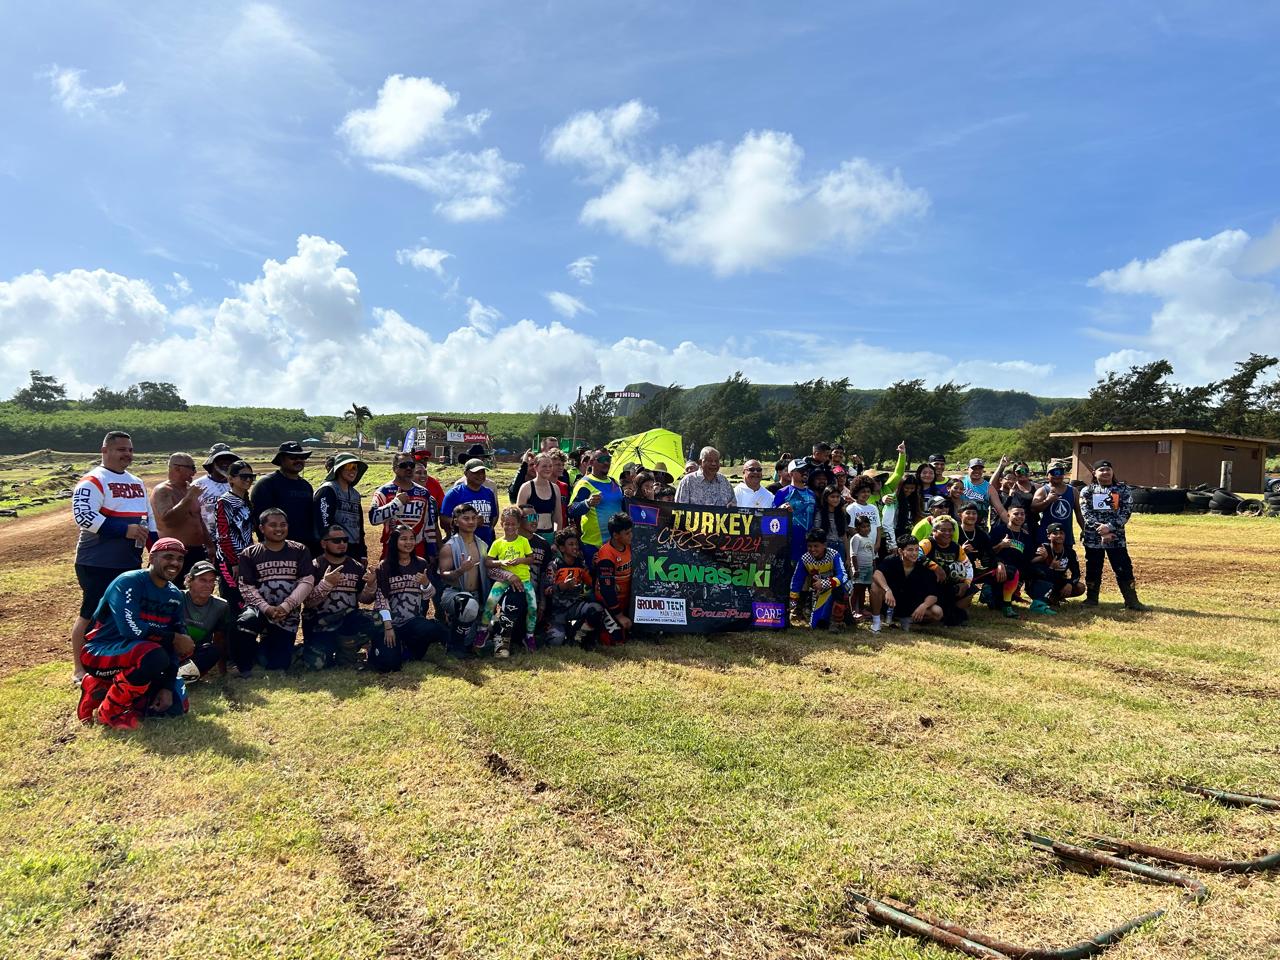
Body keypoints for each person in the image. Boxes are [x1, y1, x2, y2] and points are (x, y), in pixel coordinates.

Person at [75, 538, 193, 729]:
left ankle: (101, 686)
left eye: (180, 559)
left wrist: (167, 687)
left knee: (175, 708)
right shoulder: (129, 582)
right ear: (152, 557)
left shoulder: (175, 596)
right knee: (154, 655)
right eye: (168, 557)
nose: (175, 563)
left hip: (141, 654)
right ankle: (110, 712)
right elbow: (131, 629)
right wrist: (173, 638)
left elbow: (179, 644)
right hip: (99, 652)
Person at [71, 431, 156, 684]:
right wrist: (123, 530)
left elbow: (148, 520)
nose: (127, 454)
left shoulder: (137, 482)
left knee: (123, 613)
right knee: (91, 612)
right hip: (96, 561)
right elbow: (83, 516)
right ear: (104, 450)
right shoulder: (92, 481)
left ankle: (112, 660)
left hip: (128, 562)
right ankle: (79, 669)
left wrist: (155, 549)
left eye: (130, 450)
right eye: (121, 450)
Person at [236, 508, 315, 674]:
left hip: (287, 615)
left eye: (283, 525)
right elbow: (246, 587)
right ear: (262, 528)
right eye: (273, 525)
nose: (279, 529)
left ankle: (267, 648)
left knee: (277, 664)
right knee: (245, 622)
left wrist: (286, 606)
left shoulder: (300, 550)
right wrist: (266, 608)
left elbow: (307, 581)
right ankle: (244, 668)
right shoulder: (249, 554)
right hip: (260, 611)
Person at [301, 523, 380, 670]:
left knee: (378, 619)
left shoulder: (356, 567)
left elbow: (364, 600)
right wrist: (326, 584)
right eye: (336, 541)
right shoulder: (314, 566)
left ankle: (347, 653)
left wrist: (370, 585)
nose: (342, 544)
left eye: (345, 540)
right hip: (320, 625)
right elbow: (308, 602)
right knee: (317, 665)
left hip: (347, 624)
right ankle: (309, 649)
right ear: (324, 543)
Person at [372, 525, 450, 670]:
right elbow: (381, 599)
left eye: (412, 539)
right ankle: (386, 648)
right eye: (403, 539)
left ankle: (409, 648)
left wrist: (426, 583)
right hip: (391, 623)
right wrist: (388, 627)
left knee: (436, 629)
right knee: (390, 665)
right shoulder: (385, 566)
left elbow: (430, 594)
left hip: (412, 621)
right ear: (395, 542)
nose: (409, 542)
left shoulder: (420, 563)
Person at [1079, 459, 1148, 611]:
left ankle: (1131, 601)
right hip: (1093, 538)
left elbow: (1126, 512)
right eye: (1101, 470)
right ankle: (1091, 599)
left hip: (1116, 538)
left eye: (1108, 469)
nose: (1105, 472)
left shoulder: (1122, 490)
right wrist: (1101, 529)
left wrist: (1109, 528)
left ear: (1112, 472)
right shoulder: (1087, 491)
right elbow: (1086, 513)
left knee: (1123, 567)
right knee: (1093, 568)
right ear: (1094, 473)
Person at [477, 507, 538, 658]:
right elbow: (488, 562)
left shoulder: (523, 541)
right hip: (503, 580)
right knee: (491, 602)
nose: (510, 527)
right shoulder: (498, 543)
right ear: (502, 524)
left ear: (518, 525)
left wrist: (520, 560)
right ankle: (483, 631)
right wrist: (501, 561)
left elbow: (531, 558)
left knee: (533, 607)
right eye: (507, 524)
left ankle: (529, 635)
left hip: (523, 580)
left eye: (513, 524)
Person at [437, 504, 489, 654]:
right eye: (466, 518)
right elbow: (443, 576)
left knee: (488, 631)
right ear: (455, 521)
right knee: (468, 605)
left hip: (478, 597)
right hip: (455, 595)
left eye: (474, 518)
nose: (471, 522)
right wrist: (461, 570)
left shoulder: (483, 545)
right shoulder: (449, 547)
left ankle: (461, 634)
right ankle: (454, 644)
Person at [250, 441, 316, 552]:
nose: (298, 460)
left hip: (304, 548)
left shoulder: (306, 486)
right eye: (293, 457)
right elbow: (259, 519)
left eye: (302, 457)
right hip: (276, 548)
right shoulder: (267, 483)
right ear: (281, 460)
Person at [869, 536, 942, 634]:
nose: (914, 553)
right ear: (900, 551)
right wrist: (887, 590)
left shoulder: (924, 566)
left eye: (916, 550)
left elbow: (933, 594)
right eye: (910, 550)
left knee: (937, 612)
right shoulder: (891, 560)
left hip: (911, 607)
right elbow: (877, 574)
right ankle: (876, 622)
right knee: (875, 587)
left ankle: (909, 621)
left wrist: (924, 606)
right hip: (890, 604)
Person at [369, 455, 437, 557]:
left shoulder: (424, 493)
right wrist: (396, 503)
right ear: (395, 469)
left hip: (417, 549)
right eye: (404, 465)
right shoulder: (384, 491)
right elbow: (373, 518)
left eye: (411, 465)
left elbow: (429, 525)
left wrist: (432, 551)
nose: (408, 468)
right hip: (392, 550)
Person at [150, 452, 206, 576]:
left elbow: (199, 520)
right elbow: (168, 521)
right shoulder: (163, 490)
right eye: (192, 468)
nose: (194, 472)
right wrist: (189, 497)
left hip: (197, 551)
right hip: (174, 553)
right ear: (177, 468)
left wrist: (210, 546)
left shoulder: (189, 490)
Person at [569, 450, 624, 567]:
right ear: (592, 462)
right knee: (594, 583)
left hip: (616, 544)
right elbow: (571, 510)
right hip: (593, 546)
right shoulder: (585, 483)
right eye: (602, 460)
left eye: (608, 460)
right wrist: (587, 503)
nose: (606, 463)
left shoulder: (614, 483)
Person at [180, 560, 233, 679]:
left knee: (212, 651)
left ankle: (182, 677)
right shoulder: (178, 598)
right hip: (174, 648)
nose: (208, 585)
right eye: (202, 580)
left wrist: (223, 672)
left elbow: (220, 640)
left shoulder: (221, 606)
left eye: (212, 581)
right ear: (190, 580)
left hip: (195, 652)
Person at [213, 460, 255, 613]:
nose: (248, 480)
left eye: (251, 476)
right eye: (244, 477)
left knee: (246, 597)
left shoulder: (245, 501)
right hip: (228, 559)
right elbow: (222, 535)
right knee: (232, 599)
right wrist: (233, 562)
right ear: (231, 479)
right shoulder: (225, 501)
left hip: (246, 557)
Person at [917, 517, 976, 624]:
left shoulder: (956, 547)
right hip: (926, 585)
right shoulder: (927, 543)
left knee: (970, 589)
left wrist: (966, 584)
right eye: (943, 530)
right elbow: (916, 553)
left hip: (946, 584)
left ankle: (951, 612)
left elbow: (968, 566)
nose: (947, 533)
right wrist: (935, 567)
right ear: (934, 531)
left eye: (950, 530)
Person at [983, 501, 1037, 618]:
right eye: (1016, 514)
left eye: (1022, 514)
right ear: (1008, 515)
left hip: (1018, 571)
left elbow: (1029, 558)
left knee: (1040, 572)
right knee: (996, 605)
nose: (1019, 517)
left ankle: (1040, 602)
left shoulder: (1026, 536)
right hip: (999, 568)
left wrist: (1042, 556)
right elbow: (989, 552)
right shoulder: (998, 530)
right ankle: (989, 590)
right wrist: (1001, 545)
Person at [789, 527, 849, 631]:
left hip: (836, 590)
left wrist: (826, 583)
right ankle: (829, 618)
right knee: (815, 626)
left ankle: (837, 621)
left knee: (841, 586)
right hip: (820, 594)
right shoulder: (804, 559)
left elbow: (843, 575)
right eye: (809, 546)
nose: (812, 549)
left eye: (816, 546)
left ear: (824, 545)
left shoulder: (834, 554)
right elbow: (796, 581)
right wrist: (792, 602)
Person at [314, 452, 368, 561]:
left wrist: (362, 552)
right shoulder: (328, 490)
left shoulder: (355, 494)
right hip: (335, 547)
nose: (353, 471)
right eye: (349, 467)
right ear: (338, 469)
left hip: (354, 547)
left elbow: (359, 526)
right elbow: (324, 523)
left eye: (355, 468)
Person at [593, 512, 634, 645]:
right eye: (627, 533)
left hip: (627, 599)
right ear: (616, 535)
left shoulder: (631, 545)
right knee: (614, 642)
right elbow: (607, 589)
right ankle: (587, 625)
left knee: (636, 633)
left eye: (631, 532)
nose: (631, 535)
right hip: (609, 602)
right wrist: (619, 615)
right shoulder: (606, 555)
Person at [441, 458, 500, 545]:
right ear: (466, 473)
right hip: (463, 543)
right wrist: (467, 523)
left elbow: (494, 515)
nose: (480, 475)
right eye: (476, 472)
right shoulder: (455, 493)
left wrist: (489, 529)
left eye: (482, 472)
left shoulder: (488, 493)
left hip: (486, 543)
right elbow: (443, 517)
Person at [1029, 523, 1085, 614]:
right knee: (1043, 582)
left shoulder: (1070, 552)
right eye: (1055, 533)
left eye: (1062, 533)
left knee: (1080, 587)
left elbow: (1076, 573)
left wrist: (1070, 584)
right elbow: (1034, 571)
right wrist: (1050, 567)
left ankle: (1055, 598)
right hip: (1041, 582)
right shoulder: (1042, 549)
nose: (1059, 536)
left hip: (1058, 581)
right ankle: (1042, 601)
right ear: (1048, 536)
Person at [193, 444, 239, 548]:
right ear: (212, 462)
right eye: (220, 459)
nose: (226, 463)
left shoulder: (237, 483)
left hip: (234, 541)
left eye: (229, 459)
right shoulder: (198, 485)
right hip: (207, 542)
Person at [773, 458, 816, 563]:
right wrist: (780, 509)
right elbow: (771, 517)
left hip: (809, 544)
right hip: (789, 542)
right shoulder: (782, 492)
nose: (805, 472)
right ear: (791, 473)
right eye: (801, 470)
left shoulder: (812, 493)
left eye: (807, 470)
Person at [1032, 462, 1084, 546]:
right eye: (1054, 472)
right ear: (1047, 475)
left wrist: (1083, 529)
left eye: (1060, 472)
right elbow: (1033, 509)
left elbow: (1078, 513)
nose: (1057, 475)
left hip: (1066, 536)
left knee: (1067, 558)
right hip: (1047, 537)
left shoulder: (1073, 491)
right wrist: (1048, 500)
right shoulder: (1043, 490)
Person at [516, 454, 564, 543]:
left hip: (549, 535)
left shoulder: (555, 488)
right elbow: (519, 515)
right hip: (531, 536)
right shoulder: (526, 487)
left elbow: (558, 517)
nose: (548, 469)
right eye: (544, 466)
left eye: (550, 466)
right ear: (536, 467)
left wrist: (557, 539)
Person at [881, 473, 923, 551]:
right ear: (901, 486)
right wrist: (892, 545)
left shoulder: (914, 499)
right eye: (906, 488)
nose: (909, 490)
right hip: (896, 537)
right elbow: (887, 524)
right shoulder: (893, 499)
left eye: (912, 488)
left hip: (909, 537)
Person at [847, 515, 876, 620]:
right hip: (860, 569)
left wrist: (874, 568)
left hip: (869, 569)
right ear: (857, 528)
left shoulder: (869, 538)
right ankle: (853, 610)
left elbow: (872, 555)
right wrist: (856, 569)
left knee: (864, 589)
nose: (866, 529)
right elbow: (853, 554)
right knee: (857, 589)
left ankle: (862, 609)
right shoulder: (856, 538)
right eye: (863, 527)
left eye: (868, 526)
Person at [844, 476, 881, 552]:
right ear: (856, 493)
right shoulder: (851, 508)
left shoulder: (873, 508)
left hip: (873, 547)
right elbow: (851, 529)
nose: (866, 494)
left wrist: (878, 544)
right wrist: (864, 542)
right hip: (858, 548)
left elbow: (878, 527)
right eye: (863, 491)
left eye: (868, 491)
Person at [816, 485, 850, 560]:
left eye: (838, 497)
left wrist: (848, 557)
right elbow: (816, 533)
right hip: (826, 547)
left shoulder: (842, 513)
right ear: (826, 498)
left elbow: (844, 536)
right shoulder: (820, 513)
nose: (836, 499)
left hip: (840, 548)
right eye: (832, 497)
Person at [961, 458, 991, 527]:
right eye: (974, 468)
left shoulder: (989, 487)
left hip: (980, 525)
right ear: (968, 468)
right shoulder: (961, 481)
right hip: (961, 523)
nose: (977, 471)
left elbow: (1000, 510)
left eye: (980, 469)